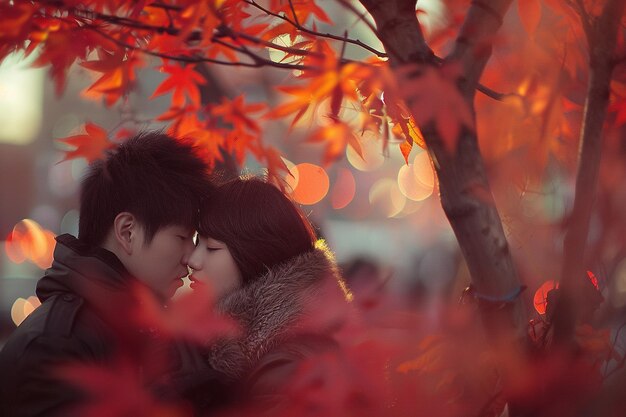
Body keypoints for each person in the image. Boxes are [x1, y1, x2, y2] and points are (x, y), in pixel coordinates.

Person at [0, 131, 224, 416]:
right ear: (127, 232)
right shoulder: (54, 347)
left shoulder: (156, 328)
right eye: (182, 238)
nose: (191, 257)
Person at [186, 176, 353, 413]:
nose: (192, 260)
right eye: (195, 243)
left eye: (211, 248)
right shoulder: (267, 348)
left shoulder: (286, 369)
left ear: (256, 256)